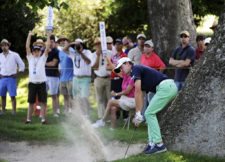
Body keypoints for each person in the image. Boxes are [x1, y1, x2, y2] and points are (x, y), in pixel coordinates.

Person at [114, 57, 178, 154]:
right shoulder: (133, 74)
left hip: (166, 87)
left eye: (121, 67)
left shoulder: (135, 69)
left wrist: (138, 113)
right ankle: (151, 142)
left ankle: (159, 145)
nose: (121, 70)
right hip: (159, 89)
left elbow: (138, 91)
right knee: (149, 113)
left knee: (149, 113)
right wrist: (138, 114)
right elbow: (141, 96)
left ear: (127, 63)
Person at [92, 64, 135, 129]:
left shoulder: (132, 78)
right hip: (125, 99)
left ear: (131, 67)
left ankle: (102, 121)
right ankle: (112, 128)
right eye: (122, 67)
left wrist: (116, 94)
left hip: (131, 101)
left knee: (110, 102)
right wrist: (109, 60)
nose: (123, 68)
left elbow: (127, 91)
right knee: (113, 108)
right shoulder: (125, 76)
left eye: (125, 66)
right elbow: (115, 69)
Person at [25, 31, 51, 124]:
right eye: (35, 51)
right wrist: (29, 35)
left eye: (38, 51)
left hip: (42, 83)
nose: (36, 52)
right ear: (33, 52)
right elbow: (27, 47)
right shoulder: (30, 57)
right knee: (31, 102)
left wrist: (48, 36)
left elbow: (47, 47)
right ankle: (28, 119)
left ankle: (43, 119)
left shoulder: (43, 58)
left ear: (41, 51)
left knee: (43, 102)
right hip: (32, 83)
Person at [65, 38, 92, 116]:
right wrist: (71, 44)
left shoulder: (87, 52)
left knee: (84, 97)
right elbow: (64, 50)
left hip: (85, 78)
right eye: (76, 45)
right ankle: (79, 113)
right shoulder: (73, 53)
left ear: (82, 45)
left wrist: (81, 53)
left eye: (79, 44)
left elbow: (88, 61)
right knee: (76, 97)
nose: (77, 46)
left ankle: (87, 113)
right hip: (76, 78)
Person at [0, 39, 25, 115]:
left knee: (12, 95)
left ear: (8, 45)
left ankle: (14, 111)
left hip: (11, 77)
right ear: (1, 47)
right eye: (2, 45)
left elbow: (22, 65)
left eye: (6, 45)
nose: (4, 47)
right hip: (2, 78)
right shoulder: (0, 56)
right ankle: (3, 110)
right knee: (2, 95)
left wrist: (17, 73)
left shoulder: (15, 55)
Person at [91, 37, 112, 118]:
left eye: (99, 44)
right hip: (98, 78)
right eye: (97, 44)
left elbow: (112, 65)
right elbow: (95, 68)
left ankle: (108, 117)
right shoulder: (93, 55)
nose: (98, 46)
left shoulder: (109, 53)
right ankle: (101, 117)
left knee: (109, 99)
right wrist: (98, 56)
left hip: (108, 78)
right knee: (100, 99)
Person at [45, 35, 60, 117]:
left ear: (54, 42)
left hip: (54, 76)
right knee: (43, 95)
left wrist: (43, 63)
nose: (50, 43)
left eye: (52, 42)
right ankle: (43, 112)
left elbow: (53, 63)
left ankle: (55, 113)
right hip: (44, 76)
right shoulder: (44, 51)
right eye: (49, 41)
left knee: (54, 95)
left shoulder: (56, 51)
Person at [58, 37, 73, 113]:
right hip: (62, 78)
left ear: (68, 42)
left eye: (64, 41)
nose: (63, 42)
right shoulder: (60, 52)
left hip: (70, 78)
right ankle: (66, 109)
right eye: (61, 41)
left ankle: (71, 109)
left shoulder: (71, 51)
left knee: (71, 95)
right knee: (65, 96)